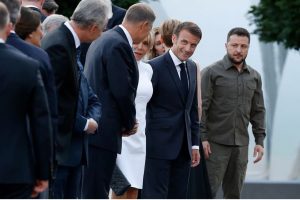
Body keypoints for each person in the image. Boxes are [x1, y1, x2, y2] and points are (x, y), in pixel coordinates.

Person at [83, 3, 155, 198]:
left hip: (95, 126)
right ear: (144, 25)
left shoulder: (102, 39)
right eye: (148, 30)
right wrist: (129, 122)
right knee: (97, 190)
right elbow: (122, 91)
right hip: (105, 130)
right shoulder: (119, 44)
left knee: (93, 188)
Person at [41, 0, 111, 198]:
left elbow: (83, 93)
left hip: (70, 148)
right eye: (103, 28)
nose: (102, 33)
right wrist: (83, 124)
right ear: (93, 27)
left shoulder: (66, 41)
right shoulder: (59, 44)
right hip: (59, 148)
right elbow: (52, 100)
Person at [200, 27, 266, 198]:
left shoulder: (254, 76)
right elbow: (201, 108)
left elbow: (258, 111)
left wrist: (259, 141)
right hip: (214, 145)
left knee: (234, 195)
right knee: (207, 192)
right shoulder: (210, 72)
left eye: (243, 46)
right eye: (234, 45)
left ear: (248, 48)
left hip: (241, 145)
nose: (238, 50)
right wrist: (203, 138)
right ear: (226, 45)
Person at [141, 21, 202, 199]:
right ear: (174, 38)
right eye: (184, 42)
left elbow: (191, 110)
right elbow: (143, 106)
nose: (188, 48)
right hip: (157, 147)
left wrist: (195, 144)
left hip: (184, 149)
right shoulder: (152, 67)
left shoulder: (192, 67)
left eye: (193, 45)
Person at [0, 2, 51, 198]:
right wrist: (43, 173)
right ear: (9, 27)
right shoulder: (28, 66)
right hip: (16, 170)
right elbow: (41, 122)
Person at [112, 32, 154, 199]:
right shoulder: (119, 65)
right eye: (136, 43)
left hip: (141, 136)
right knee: (120, 188)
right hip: (122, 134)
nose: (140, 47)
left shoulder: (148, 69)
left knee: (135, 189)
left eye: (145, 44)